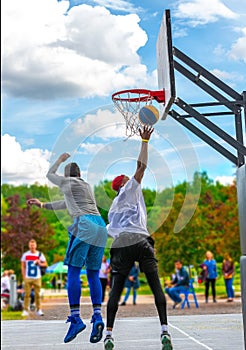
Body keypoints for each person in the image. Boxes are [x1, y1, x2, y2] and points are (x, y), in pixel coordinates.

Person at [103, 126, 173, 350]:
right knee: (156, 286)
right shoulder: (130, 189)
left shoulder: (113, 208)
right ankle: (165, 331)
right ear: (122, 183)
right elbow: (141, 167)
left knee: (115, 290)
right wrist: (144, 140)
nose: (130, 178)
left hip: (121, 243)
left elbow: (108, 230)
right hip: (140, 241)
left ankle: (109, 334)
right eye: (126, 178)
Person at [27, 153, 108, 344]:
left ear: (67, 175)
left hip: (85, 224)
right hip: (100, 227)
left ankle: (76, 317)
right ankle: (97, 315)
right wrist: (43, 205)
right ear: (79, 173)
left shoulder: (67, 183)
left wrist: (59, 159)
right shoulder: (86, 187)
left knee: (73, 271)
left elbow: (49, 174)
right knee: (93, 274)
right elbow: (65, 203)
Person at [21, 239, 47, 316]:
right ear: (29, 246)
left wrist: (40, 263)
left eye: (33, 245)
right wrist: (24, 276)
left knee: (37, 294)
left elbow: (45, 264)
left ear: (36, 245)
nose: (32, 246)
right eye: (31, 245)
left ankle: (39, 309)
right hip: (28, 277)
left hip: (37, 277)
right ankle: (25, 309)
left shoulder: (40, 254)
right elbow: (23, 266)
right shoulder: (25, 255)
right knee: (27, 294)